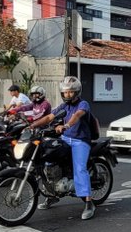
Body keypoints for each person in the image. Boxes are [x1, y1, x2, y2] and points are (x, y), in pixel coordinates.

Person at [29, 76, 96, 220]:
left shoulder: (83, 104)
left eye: (71, 92)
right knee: (48, 161)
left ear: (77, 92)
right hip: (65, 139)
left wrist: (66, 125)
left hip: (80, 140)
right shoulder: (64, 106)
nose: (68, 95)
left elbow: (77, 116)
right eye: (65, 92)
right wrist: (33, 125)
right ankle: (52, 195)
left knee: (80, 169)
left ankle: (89, 203)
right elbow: (49, 117)